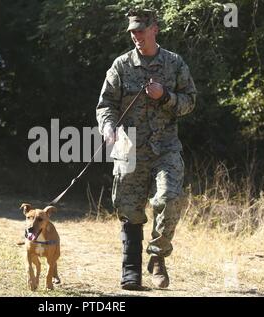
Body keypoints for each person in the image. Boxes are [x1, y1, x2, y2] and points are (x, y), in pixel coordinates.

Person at [96, 9, 197, 290]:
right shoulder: (121, 65)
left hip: (165, 148)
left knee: (169, 198)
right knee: (129, 209)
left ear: (155, 29)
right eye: (132, 31)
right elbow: (105, 105)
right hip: (129, 150)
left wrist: (165, 96)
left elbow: (190, 102)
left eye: (141, 30)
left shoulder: (174, 64)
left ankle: (158, 257)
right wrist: (107, 127)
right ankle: (131, 270)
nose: (136, 36)